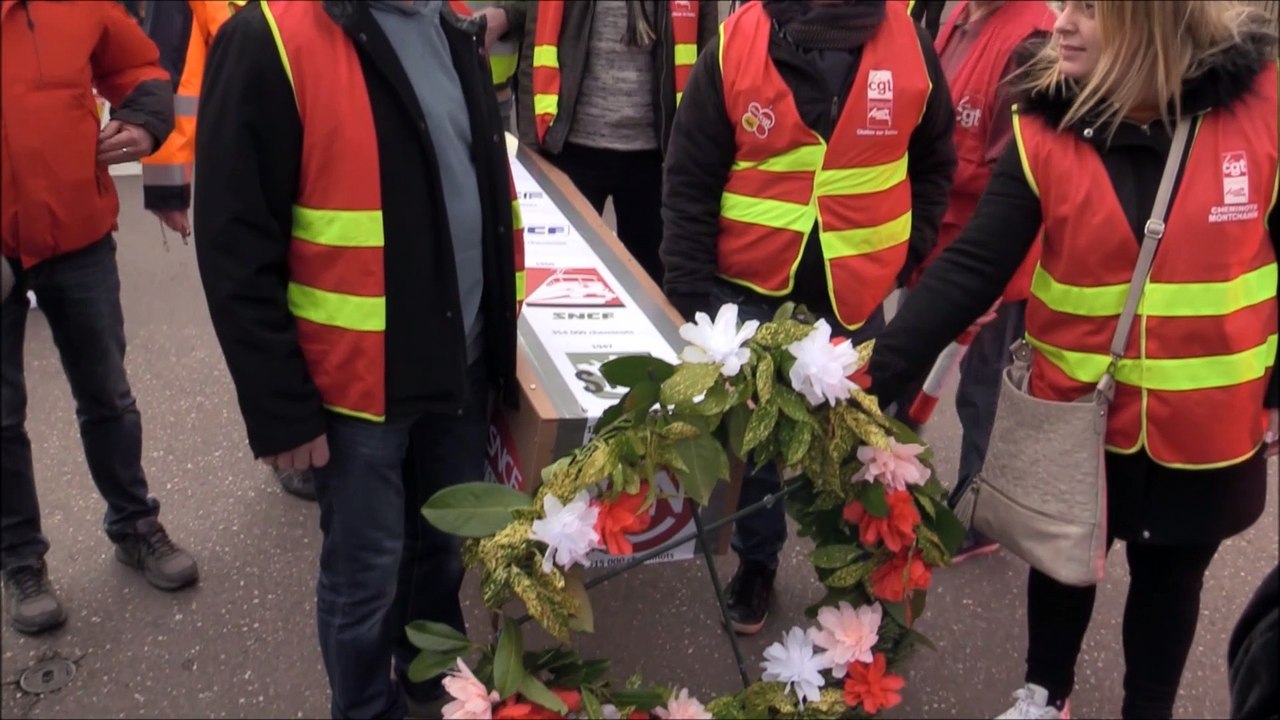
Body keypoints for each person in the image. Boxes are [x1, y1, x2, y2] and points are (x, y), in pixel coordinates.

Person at [865, 1, 1278, 718]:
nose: (1060, 23)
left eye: (1089, 9)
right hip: (1074, 413)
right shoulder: (1043, 130)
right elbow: (972, 267)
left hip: (1207, 426)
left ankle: (1147, 709)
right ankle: (1044, 693)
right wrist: (862, 376)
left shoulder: (1261, 112)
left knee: (1171, 578)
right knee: (1060, 564)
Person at [195, 0, 524, 716]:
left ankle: (429, 676)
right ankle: (365, 707)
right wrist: (280, 410)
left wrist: (498, 341)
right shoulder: (268, 39)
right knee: (366, 574)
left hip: (460, 359)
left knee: (442, 548)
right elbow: (233, 245)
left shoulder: (450, 21)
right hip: (353, 386)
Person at [661, 0, 956, 635]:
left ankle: (857, 585)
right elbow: (689, 178)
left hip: (856, 296)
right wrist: (688, 298)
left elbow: (936, 160)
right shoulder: (735, 43)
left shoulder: (910, 45)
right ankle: (756, 563)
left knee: (861, 452)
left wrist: (912, 250)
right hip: (748, 291)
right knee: (755, 449)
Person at [1, 0, 199, 635]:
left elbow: (141, 68)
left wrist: (144, 122)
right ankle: (20, 561)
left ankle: (135, 524)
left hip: (77, 237)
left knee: (107, 395)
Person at [141, 0, 317, 501]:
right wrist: (167, 182)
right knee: (263, 300)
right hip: (256, 165)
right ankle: (292, 438)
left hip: (331, 160)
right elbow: (175, 74)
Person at [907, 0, 1054, 563]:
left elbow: (1014, 175)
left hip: (986, 255)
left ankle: (979, 510)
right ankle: (897, 495)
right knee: (915, 374)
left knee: (981, 391)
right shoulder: (963, 15)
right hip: (939, 236)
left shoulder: (1031, 38)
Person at [489, 0, 718, 287]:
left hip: (657, 160)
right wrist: (533, 148)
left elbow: (708, 48)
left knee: (654, 291)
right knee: (560, 286)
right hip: (567, 151)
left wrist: (696, 156)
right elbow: (536, 41)